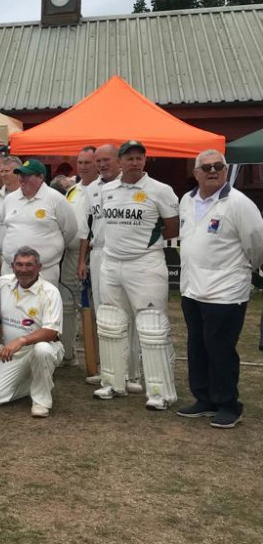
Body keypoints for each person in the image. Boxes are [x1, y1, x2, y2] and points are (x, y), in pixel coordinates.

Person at [177, 151, 263, 428]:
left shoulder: (239, 203)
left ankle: (228, 403)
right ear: (196, 172)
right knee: (197, 346)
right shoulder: (187, 200)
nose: (213, 171)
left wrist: (244, 270)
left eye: (218, 167)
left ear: (226, 171)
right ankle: (204, 398)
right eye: (207, 167)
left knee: (221, 349)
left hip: (225, 291)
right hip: (192, 288)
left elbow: (257, 243)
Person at [92, 140, 180, 410]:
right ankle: (113, 382)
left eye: (139, 157)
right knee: (111, 322)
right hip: (111, 261)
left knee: (151, 326)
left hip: (145, 263)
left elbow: (172, 228)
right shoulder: (107, 190)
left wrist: (143, 246)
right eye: (129, 158)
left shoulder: (160, 190)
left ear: (145, 160)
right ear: (120, 161)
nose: (134, 162)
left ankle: (159, 392)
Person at [78, 144, 137, 386]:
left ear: (119, 161)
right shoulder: (91, 189)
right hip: (100, 254)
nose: (101, 165)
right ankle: (110, 370)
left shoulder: (132, 186)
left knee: (130, 313)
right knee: (105, 313)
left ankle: (132, 371)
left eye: (107, 160)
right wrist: (82, 260)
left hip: (129, 256)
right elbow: (86, 228)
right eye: (98, 161)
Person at [0, 247, 64, 417]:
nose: (23, 270)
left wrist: (21, 341)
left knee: (42, 349)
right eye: (19, 265)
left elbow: (51, 332)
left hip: (44, 348)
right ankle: (39, 380)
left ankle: (41, 403)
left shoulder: (50, 292)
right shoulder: (5, 283)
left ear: (39, 267)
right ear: (12, 266)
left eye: (29, 265)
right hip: (13, 354)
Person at [0, 159, 77, 283]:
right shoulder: (9, 199)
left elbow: (71, 230)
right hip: (10, 270)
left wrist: (53, 250)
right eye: (20, 174)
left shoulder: (56, 199)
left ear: (40, 177)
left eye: (27, 175)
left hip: (45, 271)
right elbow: (6, 228)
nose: (22, 178)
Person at [59, 146, 98, 367]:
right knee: (67, 304)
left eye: (88, 162)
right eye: (80, 162)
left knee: (92, 307)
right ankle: (67, 354)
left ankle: (98, 357)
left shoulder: (103, 189)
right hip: (69, 254)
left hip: (93, 255)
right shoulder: (72, 190)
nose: (83, 166)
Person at [0, 155, 21, 277]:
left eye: (7, 171)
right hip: (2, 257)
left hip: (25, 257)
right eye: (1, 171)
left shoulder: (28, 196)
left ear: (17, 173)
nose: (3, 174)